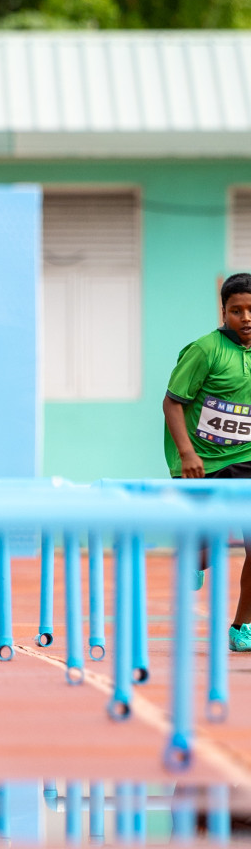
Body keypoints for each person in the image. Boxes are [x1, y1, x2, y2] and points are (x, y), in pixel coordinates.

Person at [163, 272, 251, 650]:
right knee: (207, 542)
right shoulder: (204, 350)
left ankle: (241, 626)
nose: (246, 318)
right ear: (223, 312)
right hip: (206, 460)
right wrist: (187, 454)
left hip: (247, 457)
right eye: (237, 311)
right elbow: (172, 402)